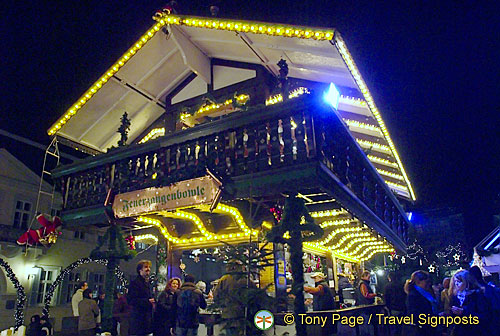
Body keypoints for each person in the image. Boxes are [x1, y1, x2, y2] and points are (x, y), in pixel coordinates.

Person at [449, 270, 492, 336]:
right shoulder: (456, 297)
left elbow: (484, 316)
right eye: (455, 282)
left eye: (459, 281)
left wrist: (464, 312)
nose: (456, 284)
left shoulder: (477, 295)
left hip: (475, 331)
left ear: (467, 282)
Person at [404, 270, 438, 336]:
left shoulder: (425, 293)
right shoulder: (413, 295)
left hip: (428, 327)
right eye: (426, 281)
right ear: (418, 282)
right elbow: (415, 314)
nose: (429, 284)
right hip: (421, 330)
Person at [128, 260, 155, 336]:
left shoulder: (147, 283)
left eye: (149, 267)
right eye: (146, 267)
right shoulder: (135, 283)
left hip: (146, 318)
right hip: (138, 319)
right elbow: (131, 300)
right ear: (140, 270)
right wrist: (147, 301)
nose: (148, 269)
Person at [384, 271, 406, 336]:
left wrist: (387, 307)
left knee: (394, 327)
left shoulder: (387, 286)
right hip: (402, 308)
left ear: (389, 278)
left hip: (393, 309)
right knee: (402, 327)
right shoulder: (401, 285)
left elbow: (386, 298)